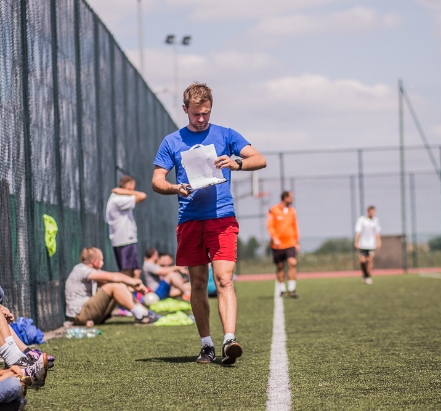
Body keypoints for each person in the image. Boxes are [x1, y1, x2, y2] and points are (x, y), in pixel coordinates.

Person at [152, 82, 266, 366]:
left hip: (222, 218)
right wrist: (176, 188)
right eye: (195, 114)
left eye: (205, 113)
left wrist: (236, 163)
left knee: (224, 279)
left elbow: (260, 159)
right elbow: (156, 181)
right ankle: (206, 346)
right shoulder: (172, 141)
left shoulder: (226, 134)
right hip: (189, 220)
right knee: (198, 283)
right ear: (185, 110)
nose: (201, 119)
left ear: (210, 108)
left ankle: (229, 339)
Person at [65, 247, 158, 325]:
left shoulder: (92, 272)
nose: (103, 263)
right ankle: (140, 316)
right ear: (94, 261)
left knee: (118, 284)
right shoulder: (81, 269)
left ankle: (146, 313)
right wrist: (133, 281)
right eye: (101, 260)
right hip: (80, 316)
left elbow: (118, 284)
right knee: (113, 285)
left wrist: (134, 288)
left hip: (89, 314)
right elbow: (113, 277)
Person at [105, 175, 147, 279]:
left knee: (136, 271)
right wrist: (123, 191)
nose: (134, 189)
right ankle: (123, 294)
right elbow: (142, 196)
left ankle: (133, 295)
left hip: (128, 239)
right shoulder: (118, 198)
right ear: (130, 185)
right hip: (123, 240)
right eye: (133, 186)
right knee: (126, 272)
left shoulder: (119, 197)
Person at [267, 191, 300, 298]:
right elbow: (270, 225)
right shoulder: (273, 210)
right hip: (277, 245)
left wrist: (297, 242)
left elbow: (295, 227)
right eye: (292, 198)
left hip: (290, 243)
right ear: (286, 198)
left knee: (292, 263)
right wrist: (274, 238)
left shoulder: (292, 211)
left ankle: (291, 289)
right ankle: (282, 289)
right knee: (280, 266)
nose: (293, 200)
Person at [354, 206, 381, 284]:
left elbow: (377, 232)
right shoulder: (362, 220)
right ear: (368, 212)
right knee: (362, 260)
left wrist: (378, 242)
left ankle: (367, 276)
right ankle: (365, 274)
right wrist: (356, 242)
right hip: (363, 244)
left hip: (371, 244)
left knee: (369, 259)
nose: (373, 213)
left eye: (374, 212)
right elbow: (358, 232)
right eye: (371, 212)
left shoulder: (375, 221)